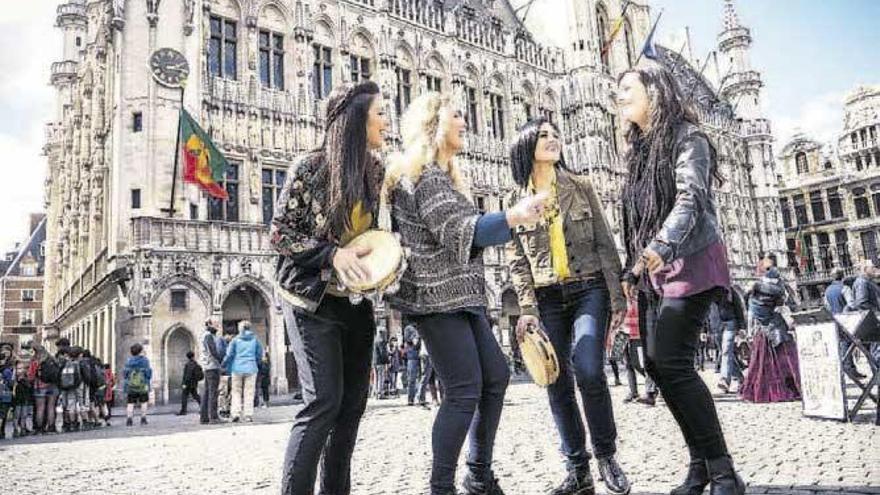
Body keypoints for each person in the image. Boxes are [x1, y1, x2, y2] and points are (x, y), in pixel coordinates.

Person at [385, 92, 546, 495]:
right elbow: (457, 231)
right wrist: (513, 215)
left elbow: (463, 229)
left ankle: (477, 472)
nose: (466, 121)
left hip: (463, 296)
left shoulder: (444, 176)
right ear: (435, 124)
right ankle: (441, 487)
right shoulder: (423, 175)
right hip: (435, 296)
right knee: (462, 389)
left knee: (496, 376)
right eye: (458, 115)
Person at [617, 62, 744, 495]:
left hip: (689, 261)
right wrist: (635, 264)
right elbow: (638, 218)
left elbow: (691, 200)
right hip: (655, 269)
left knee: (671, 361)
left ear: (654, 93)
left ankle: (724, 470)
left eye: (627, 89)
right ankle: (700, 464)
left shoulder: (689, 138)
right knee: (655, 363)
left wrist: (659, 248)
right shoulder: (638, 150)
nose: (619, 97)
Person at [271, 81, 388, 495]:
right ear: (357, 119)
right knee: (323, 403)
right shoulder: (310, 167)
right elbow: (281, 235)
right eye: (379, 113)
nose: (385, 122)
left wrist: (385, 260)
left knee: (352, 407)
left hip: (355, 302)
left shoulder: (376, 171)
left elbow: (369, 237)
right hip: (310, 299)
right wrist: (331, 254)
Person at [507, 117, 630, 495]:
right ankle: (578, 470)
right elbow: (517, 261)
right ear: (527, 145)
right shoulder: (518, 203)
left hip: (588, 288)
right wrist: (526, 308)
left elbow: (605, 243)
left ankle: (606, 453)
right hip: (546, 298)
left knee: (590, 369)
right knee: (555, 383)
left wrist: (617, 298)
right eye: (543, 135)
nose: (553, 139)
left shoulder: (581, 186)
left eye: (555, 134)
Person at [740, 255, 802, 404]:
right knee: (784, 362)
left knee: (762, 364)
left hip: (762, 331)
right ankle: (790, 387)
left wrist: (749, 332)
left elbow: (751, 315)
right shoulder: (779, 290)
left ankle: (761, 391)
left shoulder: (754, 292)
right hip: (776, 328)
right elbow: (791, 306)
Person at [221, 320, 264, 423]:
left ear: (240, 329)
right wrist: (256, 362)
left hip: (237, 368)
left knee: (236, 392)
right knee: (249, 392)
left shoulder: (235, 340)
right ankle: (248, 415)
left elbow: (229, 354)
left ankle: (235, 413)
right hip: (251, 368)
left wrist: (224, 364)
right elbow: (259, 354)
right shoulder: (255, 340)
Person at [717, 290, 746, 394]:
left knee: (726, 351)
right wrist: (704, 330)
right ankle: (740, 377)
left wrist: (742, 327)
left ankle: (724, 380)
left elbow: (739, 308)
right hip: (716, 326)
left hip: (730, 323)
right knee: (724, 353)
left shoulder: (729, 291)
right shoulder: (705, 289)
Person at [27, 344, 59, 434]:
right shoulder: (52, 359)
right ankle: (51, 428)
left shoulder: (35, 361)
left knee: (40, 408)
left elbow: (30, 376)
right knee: (51, 407)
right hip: (53, 385)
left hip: (40, 386)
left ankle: (39, 429)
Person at [199, 319, 224, 424]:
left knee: (207, 393)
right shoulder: (208, 336)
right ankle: (213, 417)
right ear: (209, 324)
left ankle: (204, 417)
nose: (218, 326)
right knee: (213, 392)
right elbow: (213, 351)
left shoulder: (206, 335)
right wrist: (222, 361)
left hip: (208, 367)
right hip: (212, 366)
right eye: (216, 324)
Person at [123, 343, 152, 427]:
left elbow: (125, 374)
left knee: (130, 403)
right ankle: (143, 418)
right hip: (143, 385)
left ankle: (129, 419)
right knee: (143, 402)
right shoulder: (145, 360)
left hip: (130, 386)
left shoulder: (128, 361)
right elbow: (148, 373)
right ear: (140, 351)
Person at [58, 346, 83, 432]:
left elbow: (58, 375)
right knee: (72, 405)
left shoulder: (62, 363)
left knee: (65, 406)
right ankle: (73, 423)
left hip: (63, 387)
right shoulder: (75, 364)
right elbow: (78, 377)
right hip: (72, 387)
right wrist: (76, 385)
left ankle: (66, 423)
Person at [13, 358, 34, 437]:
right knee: (16, 415)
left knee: (24, 415)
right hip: (17, 400)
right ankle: (15, 429)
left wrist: (24, 380)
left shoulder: (26, 378)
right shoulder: (14, 378)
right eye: (19, 368)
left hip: (25, 399)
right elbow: (12, 387)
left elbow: (29, 387)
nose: (20, 370)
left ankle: (23, 429)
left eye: (22, 368)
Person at [177, 351, 203, 416]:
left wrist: (184, 384)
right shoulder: (196, 364)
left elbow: (186, 376)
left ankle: (183, 411)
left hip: (188, 384)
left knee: (184, 397)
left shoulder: (188, 365)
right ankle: (203, 408)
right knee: (196, 396)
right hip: (194, 383)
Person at [404, 334, 422, 406]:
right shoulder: (410, 330)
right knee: (412, 380)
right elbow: (414, 343)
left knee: (420, 379)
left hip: (419, 358)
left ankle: (420, 397)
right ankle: (411, 399)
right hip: (412, 358)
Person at [0, 345, 13, 439]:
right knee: (2, 414)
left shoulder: (8, 368)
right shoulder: (7, 370)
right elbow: (11, 382)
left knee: (2, 414)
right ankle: (1, 431)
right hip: (5, 394)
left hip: (4, 393)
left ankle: (2, 431)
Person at [372, 333, 390, 399]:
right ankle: (380, 394)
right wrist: (387, 362)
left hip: (374, 361)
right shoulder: (381, 341)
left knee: (376, 378)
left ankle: (375, 393)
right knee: (381, 378)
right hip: (380, 362)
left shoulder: (375, 340)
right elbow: (383, 353)